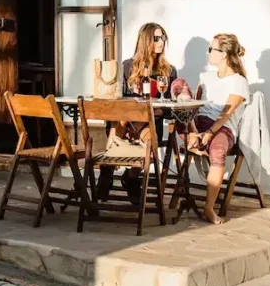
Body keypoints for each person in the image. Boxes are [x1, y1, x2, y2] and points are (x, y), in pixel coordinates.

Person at [98, 23, 179, 203]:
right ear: (145, 40)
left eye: (163, 38)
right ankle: (107, 173)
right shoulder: (128, 66)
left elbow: (169, 105)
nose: (161, 42)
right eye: (156, 38)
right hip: (125, 121)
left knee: (149, 146)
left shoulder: (169, 70)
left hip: (150, 121)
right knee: (121, 116)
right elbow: (118, 99)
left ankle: (131, 177)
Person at [185, 33, 250, 226]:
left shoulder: (239, 81)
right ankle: (192, 137)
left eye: (211, 49)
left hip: (221, 127)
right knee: (179, 87)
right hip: (197, 123)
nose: (208, 53)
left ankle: (209, 208)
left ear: (223, 54)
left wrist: (210, 133)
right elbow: (193, 106)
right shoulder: (204, 77)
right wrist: (193, 130)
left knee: (217, 150)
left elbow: (226, 113)